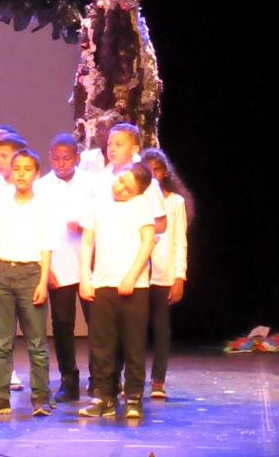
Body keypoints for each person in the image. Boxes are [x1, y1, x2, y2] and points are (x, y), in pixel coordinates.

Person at [79, 163, 156, 419]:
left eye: (128, 188)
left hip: (134, 285)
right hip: (103, 283)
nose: (120, 188)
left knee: (133, 344)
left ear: (137, 192)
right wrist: (85, 276)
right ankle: (105, 396)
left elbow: (147, 242)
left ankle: (133, 397)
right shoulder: (98, 202)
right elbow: (87, 242)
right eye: (121, 180)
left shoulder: (141, 204)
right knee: (102, 345)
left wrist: (131, 276)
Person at [0, 148, 53, 417]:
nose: (21, 174)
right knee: (1, 341)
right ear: (11, 172)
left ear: (37, 173)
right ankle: (0, 397)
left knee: (36, 342)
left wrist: (43, 282)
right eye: (17, 169)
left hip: (31, 273)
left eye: (27, 169)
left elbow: (47, 247)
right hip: (3, 272)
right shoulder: (1, 203)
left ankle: (40, 397)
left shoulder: (43, 206)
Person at [35, 133, 95, 402]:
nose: (61, 164)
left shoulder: (91, 184)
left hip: (88, 265)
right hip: (58, 265)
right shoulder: (41, 187)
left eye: (67, 158)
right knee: (62, 324)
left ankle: (99, 377)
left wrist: (84, 227)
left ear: (77, 158)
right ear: (50, 157)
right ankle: (68, 380)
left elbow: (102, 220)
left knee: (97, 324)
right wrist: (44, 268)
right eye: (56, 159)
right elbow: (37, 230)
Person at [141, 148, 190, 400]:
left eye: (157, 170)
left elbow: (180, 241)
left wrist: (179, 276)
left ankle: (158, 380)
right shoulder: (135, 201)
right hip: (137, 274)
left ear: (164, 173)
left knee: (161, 329)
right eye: (147, 171)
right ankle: (130, 379)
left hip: (162, 274)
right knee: (133, 330)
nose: (152, 175)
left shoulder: (175, 202)